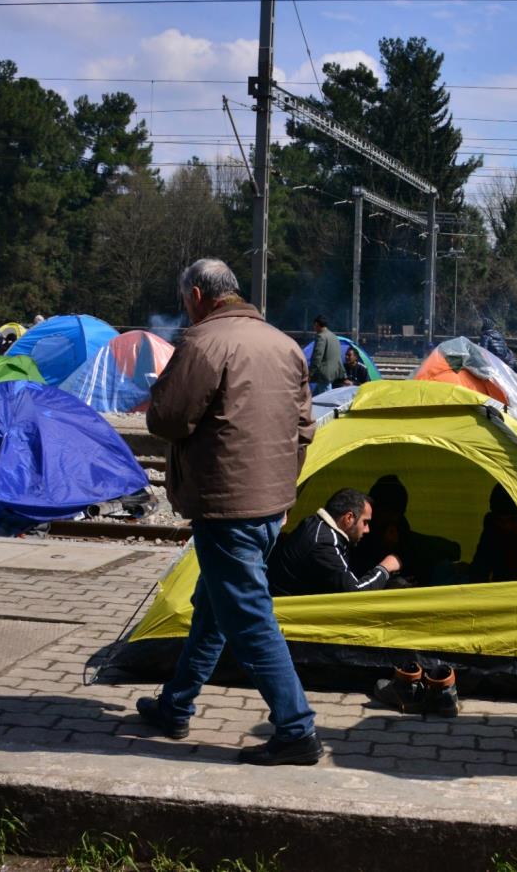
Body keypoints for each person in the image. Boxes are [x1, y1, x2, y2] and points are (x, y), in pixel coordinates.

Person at [137, 258, 322, 767]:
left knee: (249, 618)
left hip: (226, 505)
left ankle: (296, 729)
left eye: (183, 300)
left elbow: (168, 419)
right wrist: (285, 491)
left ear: (197, 294)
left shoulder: (203, 343)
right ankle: (176, 704)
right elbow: (305, 430)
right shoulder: (285, 344)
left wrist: (159, 390)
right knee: (214, 607)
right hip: (269, 505)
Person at [267, 488, 398, 596]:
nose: (367, 529)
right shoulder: (325, 544)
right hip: (290, 618)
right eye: (365, 522)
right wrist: (385, 567)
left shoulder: (315, 523)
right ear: (349, 518)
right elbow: (356, 593)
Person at [349, 474, 460, 586]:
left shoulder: (401, 530)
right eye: (387, 512)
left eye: (396, 513)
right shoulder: (360, 535)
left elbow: (420, 546)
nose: (392, 517)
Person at [468, 484, 517, 583]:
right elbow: (480, 566)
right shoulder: (493, 527)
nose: (507, 526)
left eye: (513, 520)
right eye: (501, 521)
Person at [307, 316, 345, 394]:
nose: (314, 328)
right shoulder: (334, 336)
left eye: (314, 325)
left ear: (317, 324)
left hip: (324, 375)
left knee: (325, 398)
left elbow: (317, 356)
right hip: (333, 372)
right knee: (315, 397)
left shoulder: (321, 336)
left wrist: (310, 373)